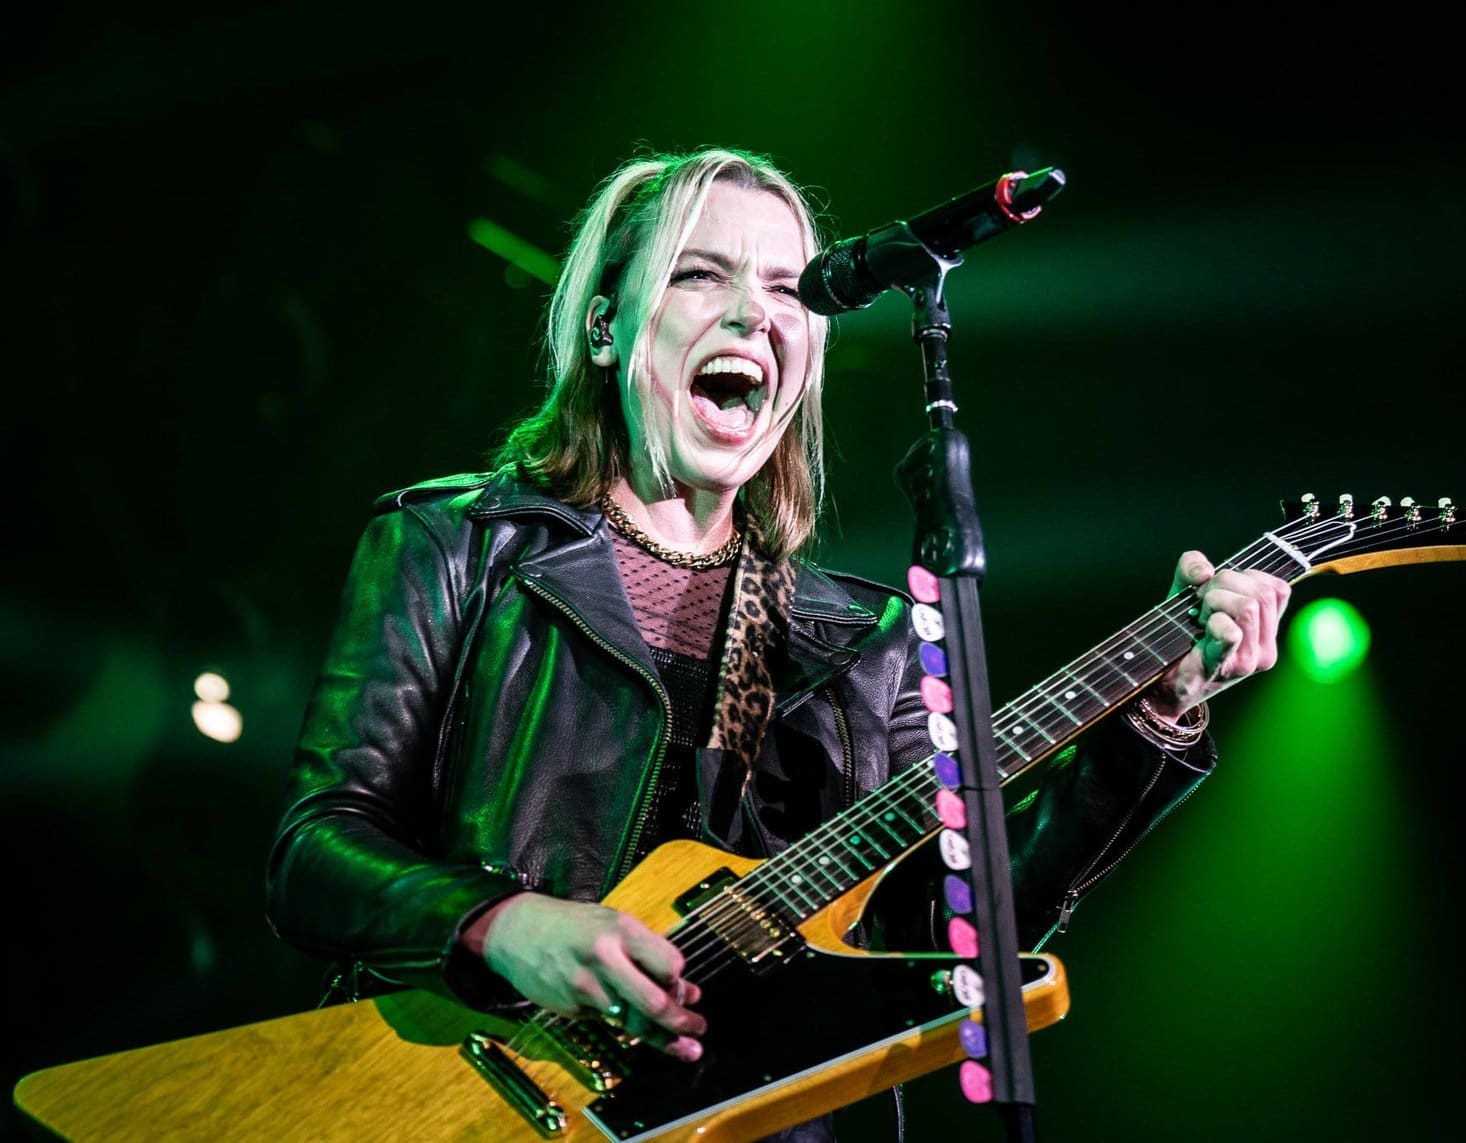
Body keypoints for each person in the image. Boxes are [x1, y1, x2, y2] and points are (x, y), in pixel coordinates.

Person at [264, 145, 1292, 1141]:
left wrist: (1155, 718)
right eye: (700, 275)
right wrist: (501, 924)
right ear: (606, 328)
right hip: (456, 1093)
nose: (754, 313)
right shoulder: (457, 544)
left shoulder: (868, 641)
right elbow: (316, 849)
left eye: (787, 289)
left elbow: (951, 927)